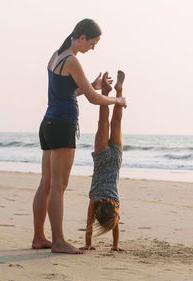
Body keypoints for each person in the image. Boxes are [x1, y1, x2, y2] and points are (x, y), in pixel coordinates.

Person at [32, 19, 127, 254]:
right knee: (58, 186)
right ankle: (59, 241)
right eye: (92, 43)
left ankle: (39, 237)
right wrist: (117, 100)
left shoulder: (57, 55)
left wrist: (92, 84)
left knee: (46, 183)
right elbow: (94, 99)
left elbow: (68, 91)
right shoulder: (72, 61)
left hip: (49, 123)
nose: (92, 48)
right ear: (82, 37)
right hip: (63, 125)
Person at [80, 70, 125, 252]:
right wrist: (88, 243)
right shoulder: (95, 199)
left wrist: (116, 245)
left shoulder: (115, 202)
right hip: (101, 158)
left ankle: (118, 92)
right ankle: (106, 92)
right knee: (103, 121)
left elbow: (115, 226)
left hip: (114, 159)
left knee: (115, 122)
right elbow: (88, 224)